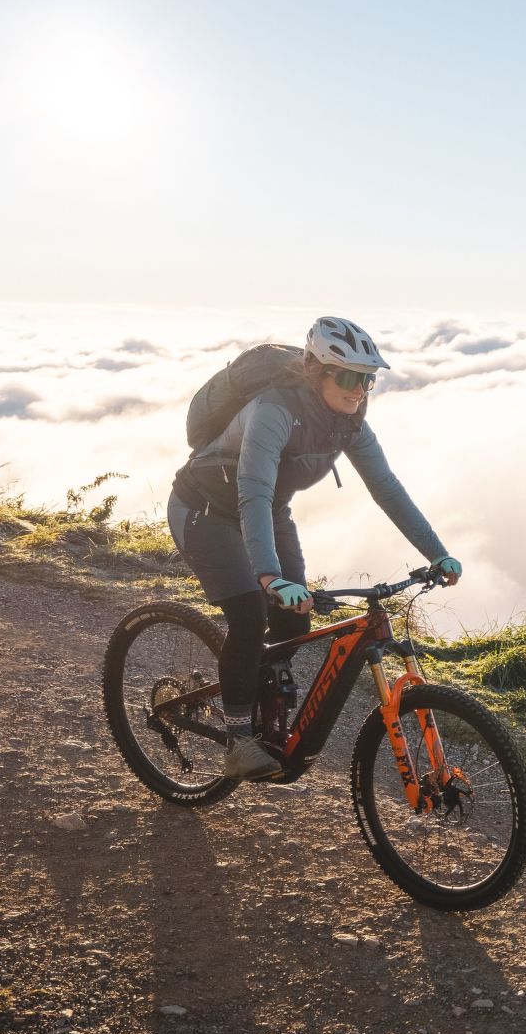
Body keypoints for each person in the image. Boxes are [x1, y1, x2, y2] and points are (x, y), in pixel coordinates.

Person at [167, 316, 461, 779]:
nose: (358, 389)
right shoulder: (273, 410)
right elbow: (254, 491)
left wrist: (436, 553)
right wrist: (268, 575)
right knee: (250, 613)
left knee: (294, 618)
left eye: (367, 379)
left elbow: (386, 488)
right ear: (313, 370)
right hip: (204, 511)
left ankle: (262, 697)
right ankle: (240, 738)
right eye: (347, 376)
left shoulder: (350, 424)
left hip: (270, 513)